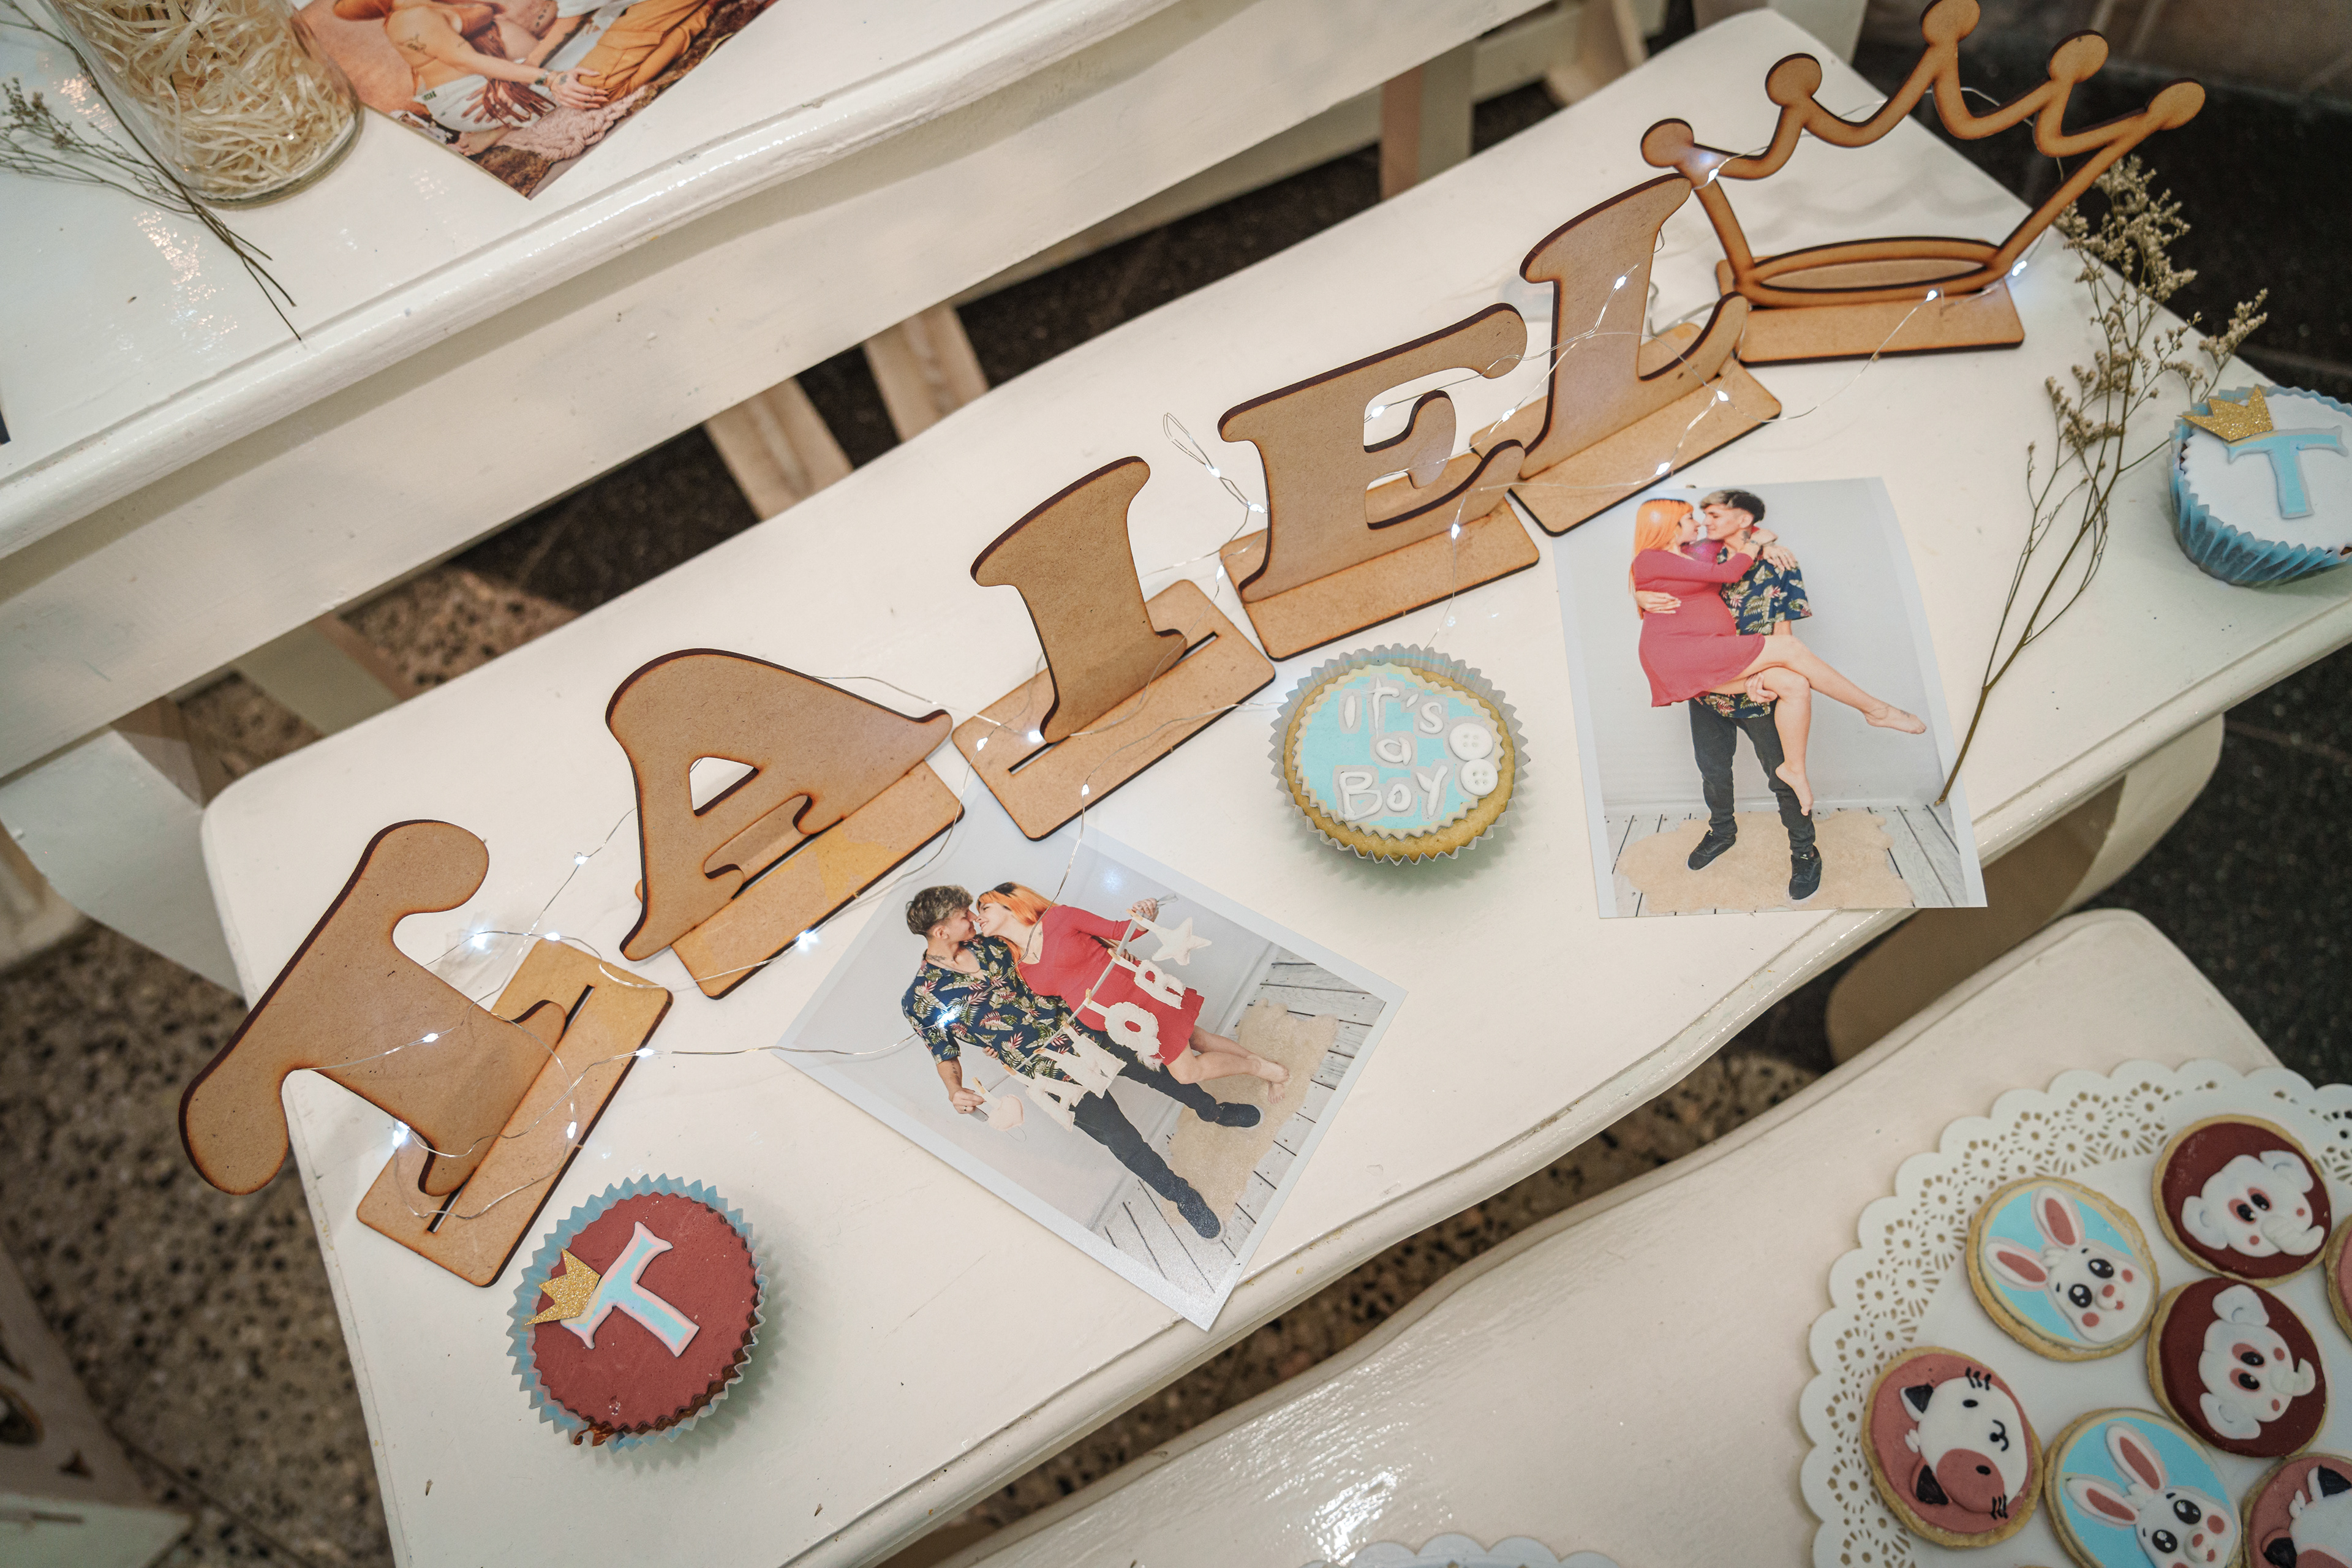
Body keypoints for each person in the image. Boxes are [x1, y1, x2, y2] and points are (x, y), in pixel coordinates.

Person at [901, 886, 1261, 1239]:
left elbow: (1053, 945)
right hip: (1045, 1070)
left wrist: (1118, 938)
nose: (973, 917)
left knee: (1163, 1073)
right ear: (941, 931)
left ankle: (1214, 1111)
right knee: (1120, 1138)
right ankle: (1182, 1197)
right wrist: (954, 1089)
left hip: (1088, 1027)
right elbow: (943, 1052)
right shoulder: (920, 1000)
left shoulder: (994, 942)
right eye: (963, 915)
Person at [1630, 496, 1925, 824]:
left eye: (1707, 516)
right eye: (1690, 519)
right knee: (1790, 650)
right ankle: (1876, 710)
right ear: (1667, 525)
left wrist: (1765, 545)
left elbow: (1740, 534)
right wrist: (1638, 595)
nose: (1699, 523)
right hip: (1680, 652)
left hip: (1707, 651)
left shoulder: (1695, 552)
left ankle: (1794, 768)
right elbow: (1728, 572)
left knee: (1793, 683)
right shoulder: (1651, 557)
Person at [1635, 488, 1820, 899]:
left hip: (1757, 686)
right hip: (1707, 689)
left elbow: (1785, 632)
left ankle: (1805, 852)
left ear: (1743, 519)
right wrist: (1637, 594)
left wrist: (1769, 673)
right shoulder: (1701, 556)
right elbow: (1655, 569)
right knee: (1713, 770)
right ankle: (1722, 831)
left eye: (1714, 515)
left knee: (1781, 776)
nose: (1705, 523)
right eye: (1701, 516)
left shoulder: (1779, 563)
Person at [973, 884, 1290, 1090]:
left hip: (1141, 1000)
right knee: (1198, 1038)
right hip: (1127, 1025)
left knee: (1186, 1073)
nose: (978, 918)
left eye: (984, 908)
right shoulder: (1020, 966)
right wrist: (1000, 1044)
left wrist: (1146, 913)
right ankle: (1261, 1064)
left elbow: (1121, 931)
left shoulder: (1059, 918)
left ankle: (1257, 1067)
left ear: (1009, 904)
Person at [339, 0, 603, 143]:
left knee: (595, 43)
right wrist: (550, 79)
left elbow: (489, 13)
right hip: (470, 97)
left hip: (487, 81)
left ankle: (502, 126)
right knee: (591, 77)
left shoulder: (430, 6)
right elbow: (468, 62)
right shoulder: (411, 19)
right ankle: (500, 127)